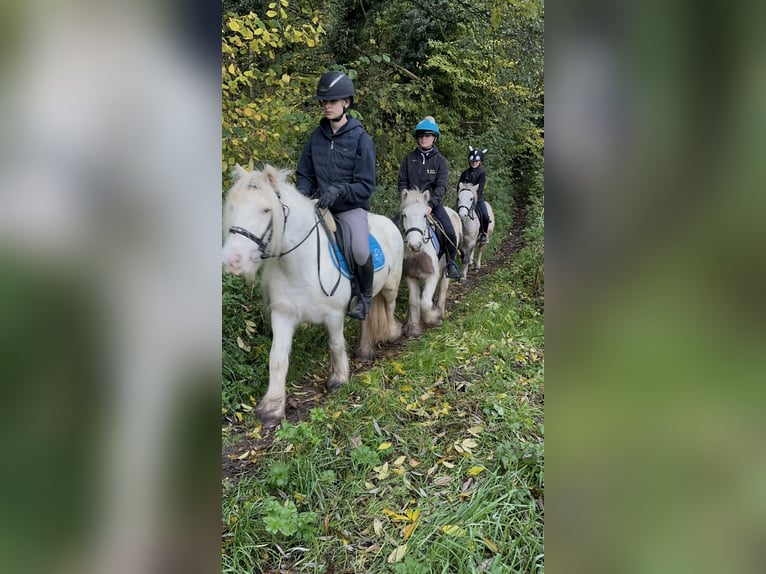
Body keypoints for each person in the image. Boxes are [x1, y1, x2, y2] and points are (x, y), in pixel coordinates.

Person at [295, 71, 377, 320]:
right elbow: (305, 175)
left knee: (360, 250)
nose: (327, 106)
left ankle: (364, 297)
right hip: (320, 204)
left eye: (332, 101)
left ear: (347, 103)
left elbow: (366, 184)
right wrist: (301, 196)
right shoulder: (315, 138)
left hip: (350, 207)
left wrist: (340, 190)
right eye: (324, 102)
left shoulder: (361, 139)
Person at [397, 116, 461, 279]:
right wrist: (405, 198)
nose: (424, 138)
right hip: (410, 205)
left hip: (432, 204)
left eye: (427, 135)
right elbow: (402, 181)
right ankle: (395, 266)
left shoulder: (440, 161)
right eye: (421, 136)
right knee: (392, 227)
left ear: (434, 138)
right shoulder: (408, 159)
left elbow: (441, 186)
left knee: (450, 232)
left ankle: (450, 263)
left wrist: (431, 204)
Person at [458, 145, 491, 245]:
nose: (474, 163)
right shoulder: (465, 173)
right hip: (464, 199)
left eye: (476, 162)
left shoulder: (482, 173)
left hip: (477, 198)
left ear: (480, 162)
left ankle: (483, 233)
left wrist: (473, 195)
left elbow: (480, 188)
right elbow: (459, 186)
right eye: (472, 161)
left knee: (485, 215)